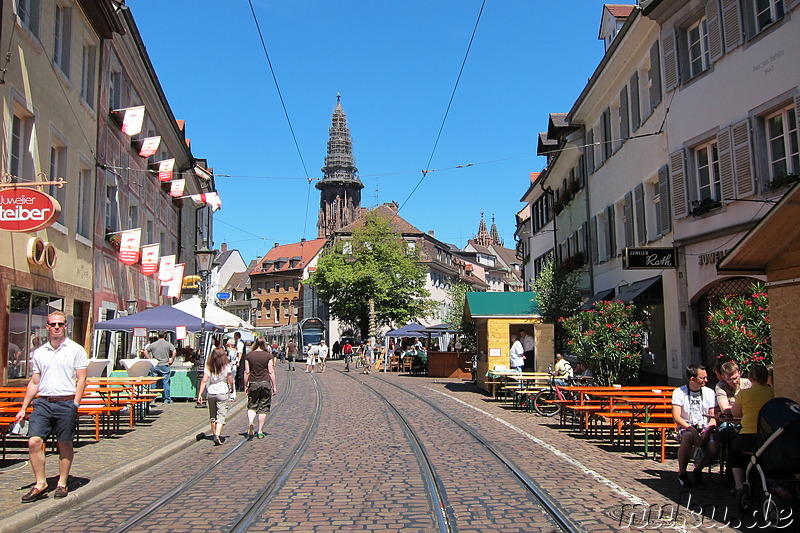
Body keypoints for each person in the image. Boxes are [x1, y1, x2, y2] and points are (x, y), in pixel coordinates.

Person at [15, 311, 87, 502]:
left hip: (66, 402)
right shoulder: (39, 352)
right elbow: (34, 381)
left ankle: (62, 483)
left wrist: (75, 404)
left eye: (60, 324)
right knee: (34, 442)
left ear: (65, 327)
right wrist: (23, 407)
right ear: (47, 327)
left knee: (64, 443)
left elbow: (82, 379)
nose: (56, 327)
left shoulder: (76, 350)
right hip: (43, 402)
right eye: (53, 324)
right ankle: (40, 483)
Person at [729, 364, 774, 492]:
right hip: (769, 438)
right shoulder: (773, 391)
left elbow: (736, 414)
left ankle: (738, 485)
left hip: (748, 436)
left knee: (733, 447)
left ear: (750, 378)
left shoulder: (744, 394)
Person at [672, 364, 718, 487]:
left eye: (706, 377)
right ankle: (682, 473)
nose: (706, 381)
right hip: (687, 426)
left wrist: (707, 431)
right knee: (687, 437)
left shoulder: (709, 392)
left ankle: (698, 469)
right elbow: (676, 416)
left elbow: (713, 417)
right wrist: (691, 429)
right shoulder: (679, 392)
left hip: (705, 427)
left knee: (713, 447)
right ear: (693, 379)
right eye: (703, 378)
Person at [196, 347, 234, 445]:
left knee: (213, 417)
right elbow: (230, 378)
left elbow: (204, 380)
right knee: (221, 416)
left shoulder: (209, 365)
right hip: (222, 392)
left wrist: (200, 394)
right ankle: (217, 435)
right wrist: (232, 387)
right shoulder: (226, 365)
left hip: (211, 392)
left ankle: (214, 435)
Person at [244, 337, 277, 439]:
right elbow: (271, 371)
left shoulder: (249, 356)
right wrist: (274, 386)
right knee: (263, 408)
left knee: (251, 405)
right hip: (265, 383)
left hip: (253, 383)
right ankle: (260, 431)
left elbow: (247, 372)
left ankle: (250, 422)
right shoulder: (268, 356)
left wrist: (246, 385)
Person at [144, 331, 175, 404]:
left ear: (158, 336)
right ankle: (167, 399)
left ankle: (152, 398)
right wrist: (172, 360)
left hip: (155, 365)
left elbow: (145, 352)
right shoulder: (168, 344)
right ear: (164, 335)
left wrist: (150, 360)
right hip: (164, 364)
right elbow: (174, 352)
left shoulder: (153, 344)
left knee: (153, 382)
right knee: (165, 383)